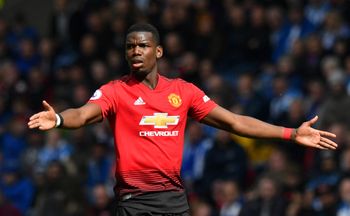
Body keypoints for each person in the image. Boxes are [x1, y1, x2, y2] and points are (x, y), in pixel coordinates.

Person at [28, 23, 337, 215]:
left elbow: (234, 122)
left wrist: (290, 134)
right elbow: (81, 115)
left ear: (158, 51)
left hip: (175, 201)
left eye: (143, 45)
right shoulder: (115, 91)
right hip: (134, 202)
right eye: (130, 46)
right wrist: (57, 120)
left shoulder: (183, 92)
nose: (136, 51)